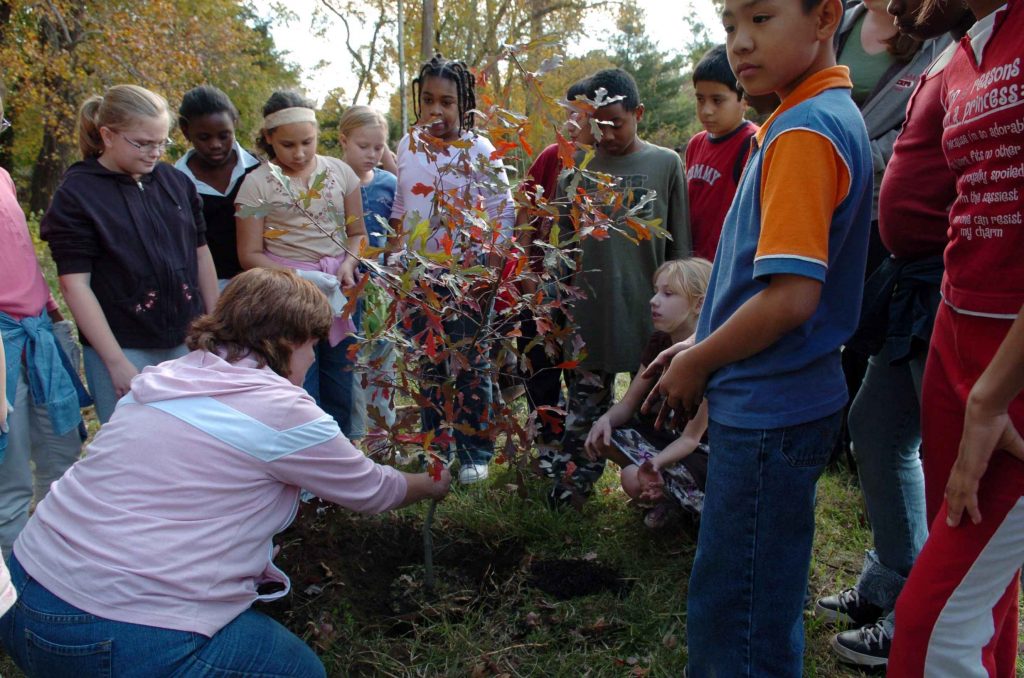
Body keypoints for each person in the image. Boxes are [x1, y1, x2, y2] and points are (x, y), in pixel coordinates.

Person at [0, 268, 452, 677]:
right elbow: (372, 490)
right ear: (290, 341)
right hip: (117, 633)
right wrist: (432, 482)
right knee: (300, 672)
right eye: (313, 344)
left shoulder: (165, 379)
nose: (313, 359)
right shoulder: (283, 413)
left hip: (21, 595)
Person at [646, 0, 872, 670]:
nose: (741, 44)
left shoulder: (804, 130)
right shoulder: (810, 116)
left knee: (737, 611)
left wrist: (700, 360)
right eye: (729, 26)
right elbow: (759, 279)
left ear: (826, 16)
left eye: (763, 19)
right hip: (782, 396)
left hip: (770, 408)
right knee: (758, 589)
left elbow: (792, 298)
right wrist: (702, 339)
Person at [811, 0, 974, 667]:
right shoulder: (849, 21)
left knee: (937, 448)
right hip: (903, 271)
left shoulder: (959, 45)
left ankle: (922, 617)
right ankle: (893, 576)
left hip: (944, 278)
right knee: (876, 425)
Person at [888, 0, 1024, 672]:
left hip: (1011, 361)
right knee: (979, 596)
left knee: (929, 629)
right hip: (954, 328)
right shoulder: (970, 43)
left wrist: (993, 396)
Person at [548, 67, 691, 506]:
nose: (607, 134)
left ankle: (661, 491)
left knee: (658, 412)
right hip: (591, 317)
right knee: (585, 411)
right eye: (598, 124)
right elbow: (564, 252)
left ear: (638, 113)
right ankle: (573, 486)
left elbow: (680, 248)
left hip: (652, 320)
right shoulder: (575, 171)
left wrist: (685, 319)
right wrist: (556, 307)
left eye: (617, 122)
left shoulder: (666, 164)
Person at [40, 84, 219, 425]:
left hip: (188, 341)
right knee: (133, 450)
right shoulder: (78, 194)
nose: (155, 153)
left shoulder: (175, 182)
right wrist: (115, 361)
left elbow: (201, 255)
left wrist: (216, 327)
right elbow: (75, 285)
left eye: (162, 142)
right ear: (107, 135)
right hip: (122, 347)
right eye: (143, 143)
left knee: (191, 442)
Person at [389, 54, 515, 485]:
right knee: (427, 364)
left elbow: (502, 209)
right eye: (427, 100)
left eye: (447, 101)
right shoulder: (407, 145)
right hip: (417, 275)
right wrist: (394, 256)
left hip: (468, 277)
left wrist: (489, 274)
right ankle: (434, 447)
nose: (436, 111)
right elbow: (403, 205)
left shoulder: (479, 150)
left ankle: (474, 450)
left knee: (468, 365)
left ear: (465, 104)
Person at [236, 91, 369, 442]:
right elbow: (249, 254)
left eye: (307, 143)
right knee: (300, 383)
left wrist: (347, 263)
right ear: (268, 139)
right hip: (288, 297)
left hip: (340, 290)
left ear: (317, 134)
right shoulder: (256, 185)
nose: (298, 153)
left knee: (342, 375)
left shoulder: (341, 173)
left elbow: (357, 233)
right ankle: (306, 459)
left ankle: (342, 452)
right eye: (287, 145)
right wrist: (297, 278)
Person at [0, 95, 88, 559]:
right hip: (2, 345)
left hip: (40, 331)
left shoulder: (3, 179)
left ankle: (56, 572)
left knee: (61, 461)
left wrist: (52, 313)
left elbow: (20, 257)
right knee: (9, 479)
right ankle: (12, 601)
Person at [583, 258, 712, 528]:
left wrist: (654, 463)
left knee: (632, 476)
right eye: (656, 291)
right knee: (606, 436)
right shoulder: (659, 342)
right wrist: (604, 419)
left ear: (699, 304)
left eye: (668, 293)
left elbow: (691, 440)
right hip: (665, 439)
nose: (654, 300)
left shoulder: (708, 355)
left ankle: (687, 504)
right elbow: (629, 402)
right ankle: (667, 496)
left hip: (701, 455)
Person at [514, 77, 594, 476]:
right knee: (540, 370)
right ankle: (547, 446)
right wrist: (528, 277)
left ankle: (579, 456)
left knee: (582, 377)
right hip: (539, 287)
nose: (573, 123)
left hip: (584, 293)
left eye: (582, 115)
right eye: (568, 114)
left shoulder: (604, 165)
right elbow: (525, 215)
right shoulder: (551, 157)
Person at [337, 105, 398, 454]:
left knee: (382, 358)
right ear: (343, 141)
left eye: (379, 147)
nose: (372, 155)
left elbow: (396, 233)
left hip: (381, 286)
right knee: (350, 359)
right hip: (344, 286)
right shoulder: (331, 181)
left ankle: (382, 436)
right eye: (364, 146)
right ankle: (352, 434)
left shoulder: (388, 183)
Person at [175, 85, 261, 284]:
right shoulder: (176, 182)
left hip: (262, 286)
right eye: (204, 137)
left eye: (224, 136)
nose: (215, 144)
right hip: (206, 290)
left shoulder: (259, 170)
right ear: (185, 130)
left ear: (235, 124)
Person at [685, 44, 758, 261]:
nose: (707, 110)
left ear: (743, 99)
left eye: (717, 100)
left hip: (727, 264)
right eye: (700, 99)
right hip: (694, 269)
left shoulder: (753, 144)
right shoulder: (696, 144)